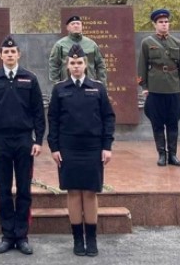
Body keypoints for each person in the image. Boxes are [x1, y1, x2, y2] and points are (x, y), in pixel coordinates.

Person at [48, 43, 115, 257]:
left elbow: (108, 118)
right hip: (69, 148)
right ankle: (78, 239)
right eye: (72, 63)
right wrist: (55, 147)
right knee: (74, 192)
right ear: (67, 66)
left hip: (92, 147)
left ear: (85, 65)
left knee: (90, 192)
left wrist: (107, 146)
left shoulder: (97, 88)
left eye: (79, 63)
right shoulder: (60, 89)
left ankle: (92, 239)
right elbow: (54, 120)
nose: (76, 66)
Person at [0, 35, 45, 255]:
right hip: (0, 140)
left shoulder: (30, 78)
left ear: (19, 54)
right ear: (0, 55)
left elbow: (38, 112)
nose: (9, 55)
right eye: (6, 52)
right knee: (4, 189)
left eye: (13, 52)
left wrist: (39, 139)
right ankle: (8, 235)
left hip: (24, 140)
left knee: (25, 189)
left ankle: (22, 235)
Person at [137, 8, 180, 167]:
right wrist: (144, 86)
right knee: (157, 122)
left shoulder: (178, 43)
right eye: (161, 22)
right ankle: (161, 154)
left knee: (173, 122)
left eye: (166, 22)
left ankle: (173, 154)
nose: (164, 25)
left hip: (173, 88)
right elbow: (142, 65)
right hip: (155, 88)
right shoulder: (147, 42)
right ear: (155, 24)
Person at [48, 15, 107, 86]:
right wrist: (56, 85)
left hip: (89, 85)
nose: (76, 26)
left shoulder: (91, 44)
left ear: (82, 26)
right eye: (73, 24)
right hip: (67, 86)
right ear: (67, 27)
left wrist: (102, 86)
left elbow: (100, 65)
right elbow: (54, 66)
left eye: (78, 23)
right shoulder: (60, 45)